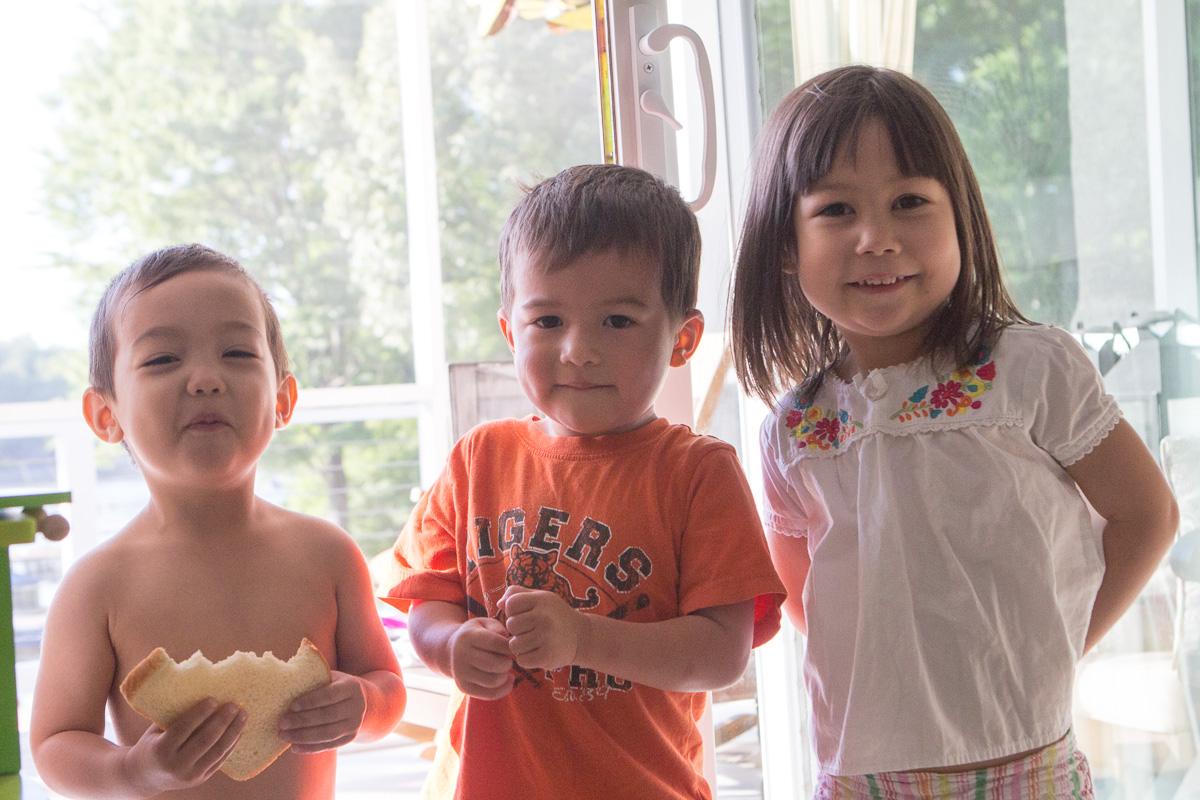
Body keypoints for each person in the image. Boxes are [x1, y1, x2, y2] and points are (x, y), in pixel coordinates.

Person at [729, 65, 1179, 799]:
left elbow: (1147, 513)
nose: (876, 239)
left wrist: (1061, 645)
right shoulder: (793, 428)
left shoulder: (1031, 368)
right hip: (860, 772)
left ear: (960, 217)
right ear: (785, 245)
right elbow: (805, 596)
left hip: (1025, 756)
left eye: (909, 202)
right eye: (836, 209)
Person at [385, 164, 786, 800]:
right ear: (510, 331)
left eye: (618, 321)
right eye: (547, 321)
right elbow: (425, 601)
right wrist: (450, 644)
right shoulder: (477, 459)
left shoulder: (698, 473)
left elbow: (720, 653)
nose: (577, 350)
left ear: (682, 339)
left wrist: (581, 638)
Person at [30, 244, 407, 799]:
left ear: (283, 399)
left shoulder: (328, 555)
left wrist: (365, 705)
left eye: (236, 352)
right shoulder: (97, 586)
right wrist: (133, 771)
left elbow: (388, 687)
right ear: (106, 415)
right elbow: (56, 743)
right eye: (163, 360)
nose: (206, 378)